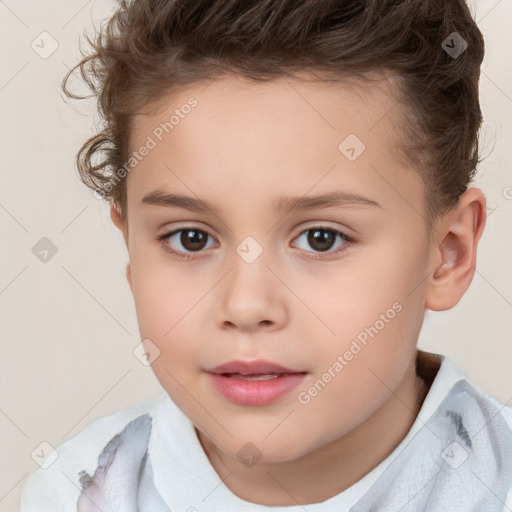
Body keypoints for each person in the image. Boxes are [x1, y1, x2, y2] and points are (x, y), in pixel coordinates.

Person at [20, 0, 512, 510]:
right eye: (190, 238)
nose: (246, 306)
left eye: (322, 238)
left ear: (448, 254)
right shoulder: (72, 493)